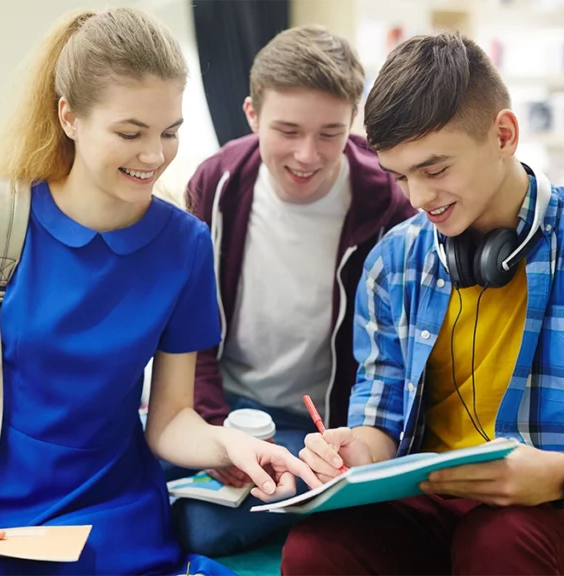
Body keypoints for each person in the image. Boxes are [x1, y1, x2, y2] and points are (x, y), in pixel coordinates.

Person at [0, 8, 321, 576]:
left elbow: (170, 419)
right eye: (130, 133)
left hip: (108, 501)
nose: (154, 156)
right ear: (70, 117)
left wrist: (229, 444)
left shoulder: (185, 245)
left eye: (169, 132)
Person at [283, 31, 564, 575]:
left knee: (500, 541)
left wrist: (563, 473)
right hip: (434, 500)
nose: (418, 198)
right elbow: (381, 423)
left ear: (504, 135)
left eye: (435, 170)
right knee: (314, 547)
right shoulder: (393, 261)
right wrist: (355, 454)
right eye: (401, 177)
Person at [166, 25, 415, 557]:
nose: (307, 155)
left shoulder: (388, 204)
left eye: (330, 133)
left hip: (315, 423)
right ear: (252, 114)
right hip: (222, 408)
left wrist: (345, 446)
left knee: (204, 529)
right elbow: (189, 329)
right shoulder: (217, 184)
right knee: (123, 468)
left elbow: (392, 360)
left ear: (353, 121)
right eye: (288, 130)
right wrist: (214, 430)